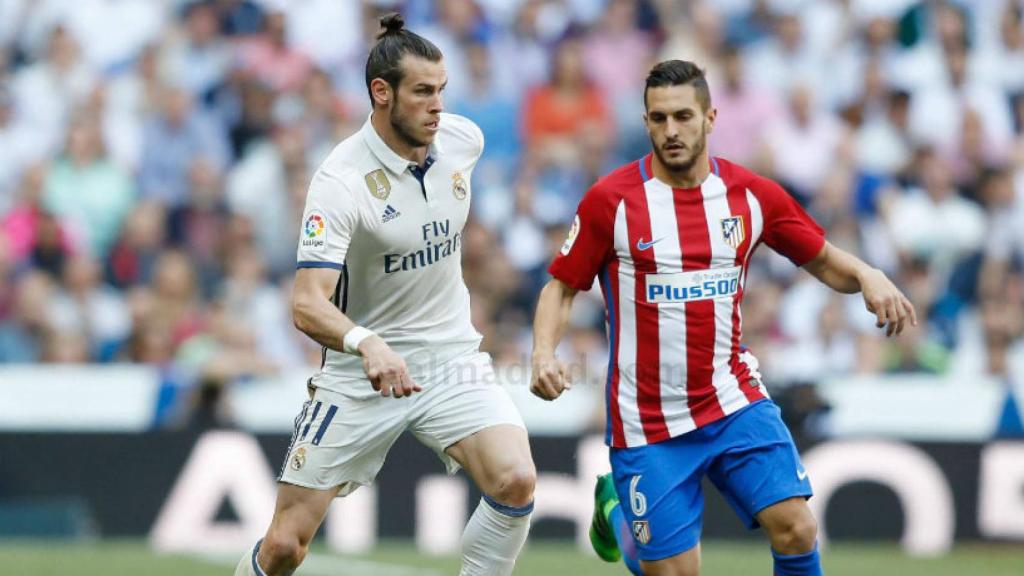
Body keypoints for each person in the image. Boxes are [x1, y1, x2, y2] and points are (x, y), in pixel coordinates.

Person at [529, 60, 916, 576]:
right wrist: (541, 353)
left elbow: (820, 258)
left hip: (732, 399)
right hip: (648, 422)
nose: (671, 130)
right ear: (645, 122)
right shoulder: (612, 201)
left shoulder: (751, 195)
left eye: (683, 116)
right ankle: (618, 512)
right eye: (659, 118)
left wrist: (869, 274)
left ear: (710, 117)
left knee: (797, 527)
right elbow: (562, 288)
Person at [234, 14, 536, 576]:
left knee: (515, 480)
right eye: (422, 92)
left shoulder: (462, 142)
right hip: (359, 375)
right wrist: (365, 342)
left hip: (450, 359)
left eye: (442, 90)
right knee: (283, 548)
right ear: (381, 93)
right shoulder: (340, 182)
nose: (437, 106)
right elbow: (305, 302)